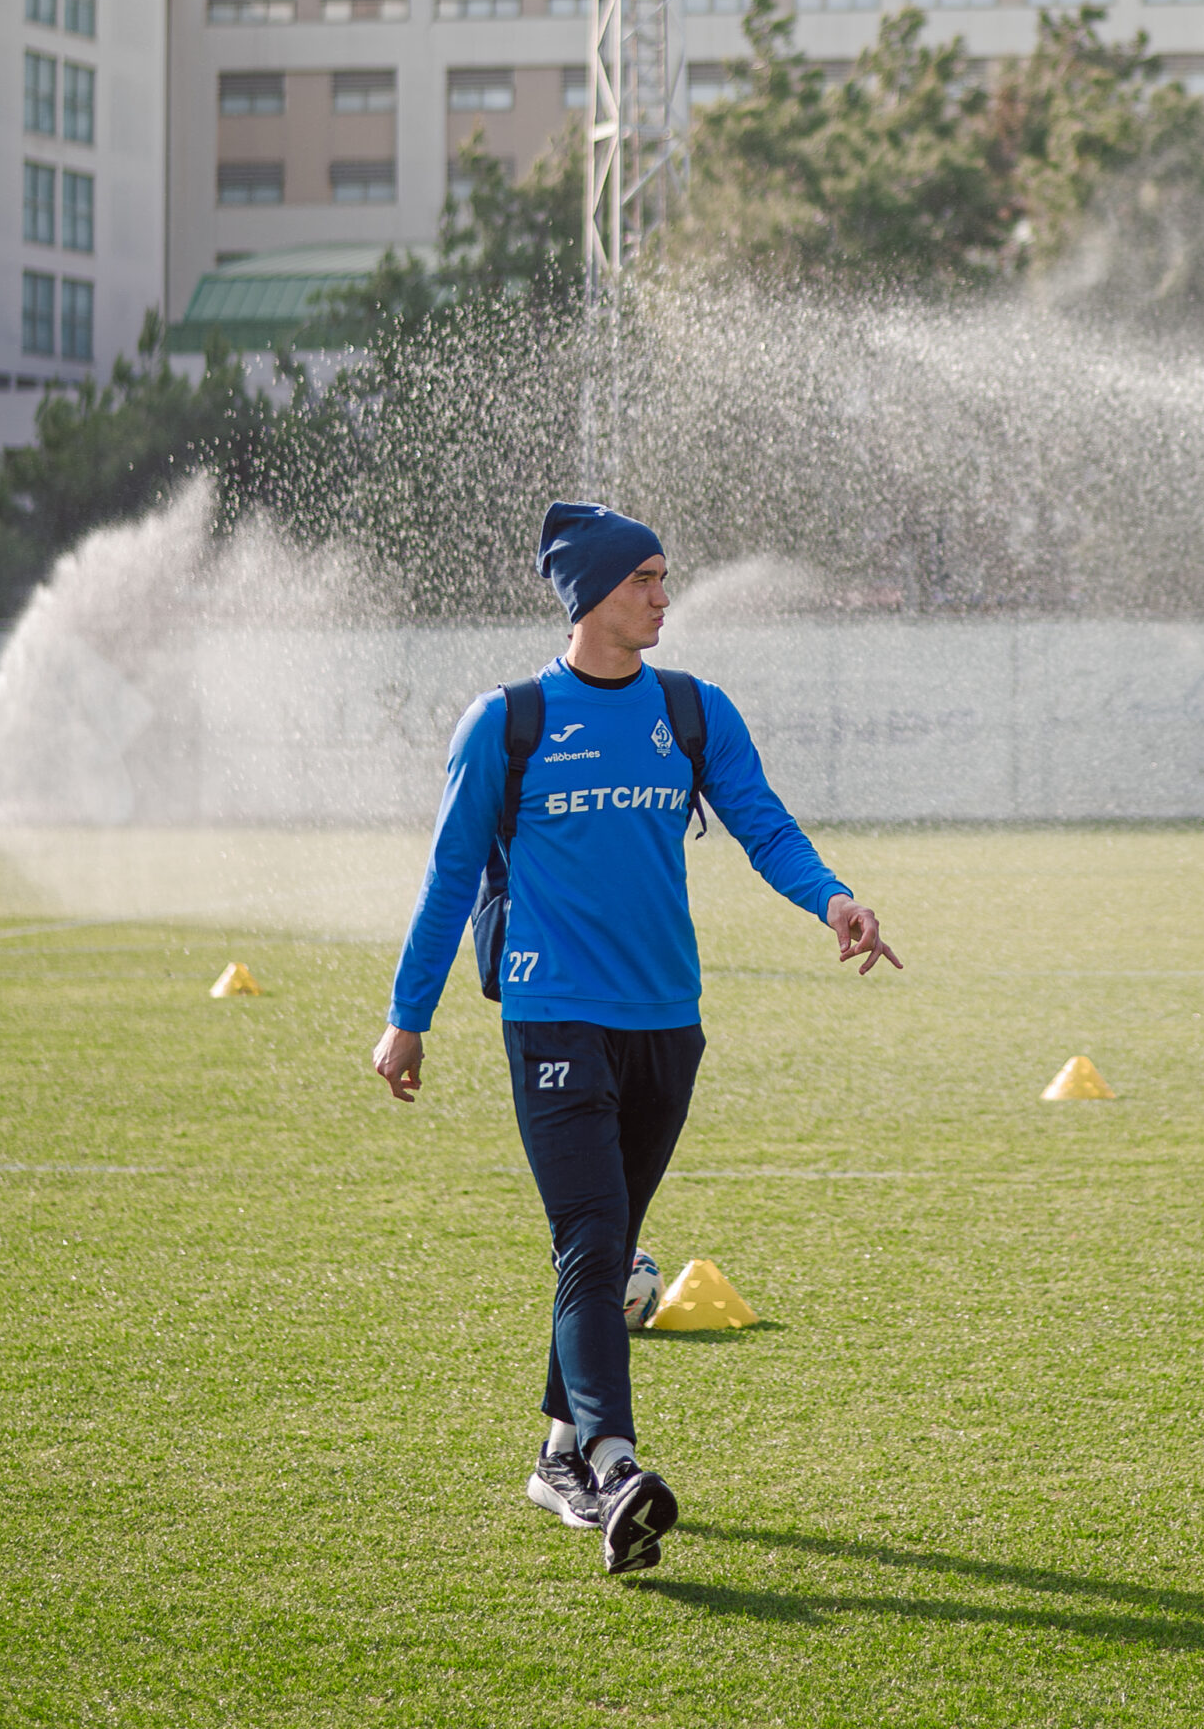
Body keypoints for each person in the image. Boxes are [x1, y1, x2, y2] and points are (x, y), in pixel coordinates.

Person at [371, 501, 901, 1577]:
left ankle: (557, 1453)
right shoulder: (507, 722)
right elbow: (447, 879)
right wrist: (407, 1017)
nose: (665, 596)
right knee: (591, 1232)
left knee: (607, 1248)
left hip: (667, 1021)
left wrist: (833, 898)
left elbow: (762, 823)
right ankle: (616, 1469)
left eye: (665, 577)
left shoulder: (692, 711)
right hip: (552, 1014)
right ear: (591, 597)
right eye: (644, 579)